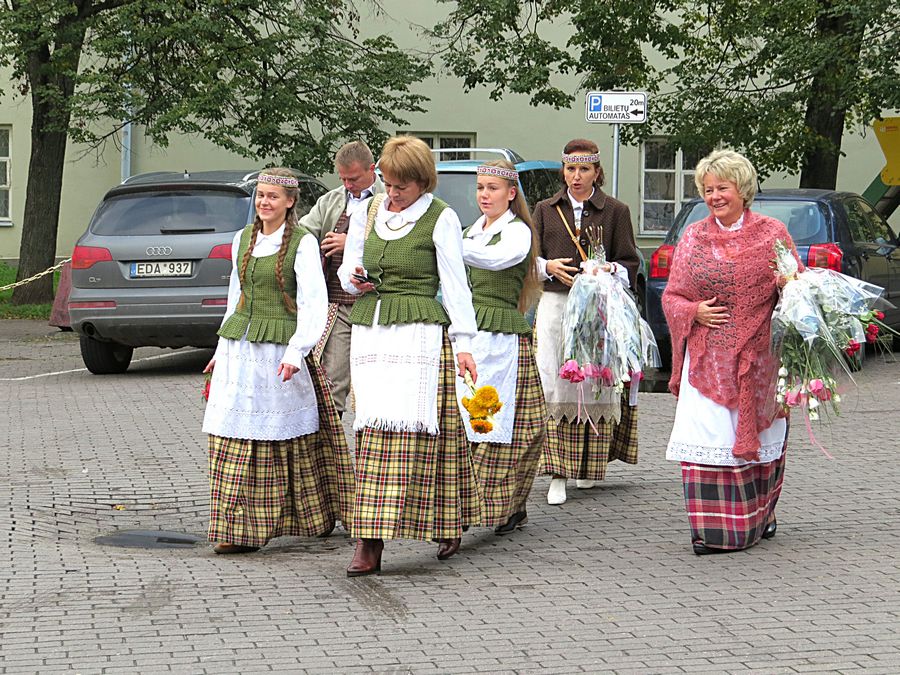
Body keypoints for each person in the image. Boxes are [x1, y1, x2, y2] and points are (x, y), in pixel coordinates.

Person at [337, 135, 480, 575]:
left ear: (422, 182)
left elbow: (456, 286)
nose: (392, 193)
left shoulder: (442, 217)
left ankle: (446, 520)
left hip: (419, 335)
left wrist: (465, 345)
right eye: (388, 183)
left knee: (430, 436)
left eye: (401, 186)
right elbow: (346, 270)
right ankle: (370, 542)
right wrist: (354, 279)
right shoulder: (368, 210)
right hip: (373, 334)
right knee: (373, 433)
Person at [202, 168, 355, 554]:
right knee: (232, 435)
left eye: (272, 196)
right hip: (241, 348)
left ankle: (312, 515)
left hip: (278, 351)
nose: (264, 202)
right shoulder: (243, 239)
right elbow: (235, 298)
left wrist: (296, 352)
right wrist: (220, 351)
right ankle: (237, 529)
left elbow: (313, 303)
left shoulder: (302, 243)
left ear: (290, 202)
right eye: (260, 195)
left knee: (285, 438)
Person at [662, 149, 802, 555]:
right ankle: (717, 533)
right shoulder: (694, 237)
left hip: (760, 357)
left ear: (742, 189)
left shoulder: (772, 232)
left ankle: (763, 516)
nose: (714, 196)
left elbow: (793, 283)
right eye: (707, 189)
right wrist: (694, 310)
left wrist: (792, 290)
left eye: (721, 187)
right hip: (708, 359)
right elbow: (673, 295)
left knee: (763, 434)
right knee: (709, 437)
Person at [532, 139, 642, 506]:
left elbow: (630, 263)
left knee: (594, 381)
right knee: (555, 380)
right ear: (562, 171)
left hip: (597, 308)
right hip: (555, 305)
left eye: (583, 170)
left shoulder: (615, 211)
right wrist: (547, 267)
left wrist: (607, 269)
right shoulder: (546, 210)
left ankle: (587, 465)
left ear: (597, 172)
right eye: (569, 169)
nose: (576, 177)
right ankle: (557, 472)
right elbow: (530, 258)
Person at [457, 159, 547, 535]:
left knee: (511, 426)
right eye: (480, 188)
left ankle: (508, 504)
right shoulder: (469, 232)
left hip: (503, 334)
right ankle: (469, 505)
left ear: (511, 194)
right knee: (467, 422)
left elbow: (499, 259)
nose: (484, 195)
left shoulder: (518, 232)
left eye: (492, 188)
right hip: (466, 334)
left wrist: (448, 247)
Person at [301, 141, 386, 417]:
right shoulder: (331, 201)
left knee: (376, 382)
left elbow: (397, 243)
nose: (348, 184)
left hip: (377, 305)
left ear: (371, 169)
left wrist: (350, 242)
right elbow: (303, 233)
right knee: (332, 380)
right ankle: (332, 449)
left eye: (353, 178)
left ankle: (374, 448)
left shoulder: (389, 197)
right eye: (343, 179)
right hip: (337, 303)